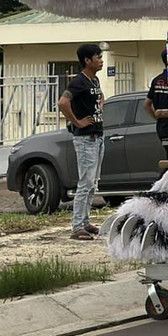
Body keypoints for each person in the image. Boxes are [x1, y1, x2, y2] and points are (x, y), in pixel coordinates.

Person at [57, 43, 106, 240]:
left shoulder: (94, 81)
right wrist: (77, 121)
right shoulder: (78, 82)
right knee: (85, 182)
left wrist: (100, 104)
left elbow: (99, 97)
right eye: (97, 57)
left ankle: (85, 222)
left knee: (92, 183)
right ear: (87, 60)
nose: (101, 60)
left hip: (98, 136)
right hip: (86, 139)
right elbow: (62, 102)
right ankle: (77, 225)